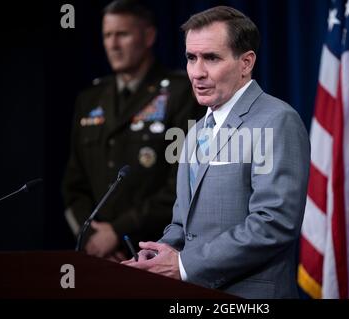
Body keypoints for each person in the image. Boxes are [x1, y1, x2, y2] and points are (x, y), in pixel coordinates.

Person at [122, 6, 310, 299]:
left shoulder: (277, 120)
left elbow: (273, 223)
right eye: (191, 58)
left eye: (211, 58)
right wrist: (160, 253)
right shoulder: (196, 130)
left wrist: (184, 265)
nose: (197, 72)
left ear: (246, 62)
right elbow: (183, 222)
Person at [62, 0, 202, 261]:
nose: (113, 45)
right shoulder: (90, 98)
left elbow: (183, 184)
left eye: (122, 34)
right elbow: (73, 185)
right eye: (107, 35)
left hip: (157, 251)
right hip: (99, 255)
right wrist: (92, 237)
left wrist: (117, 231)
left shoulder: (180, 93)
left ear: (148, 36)